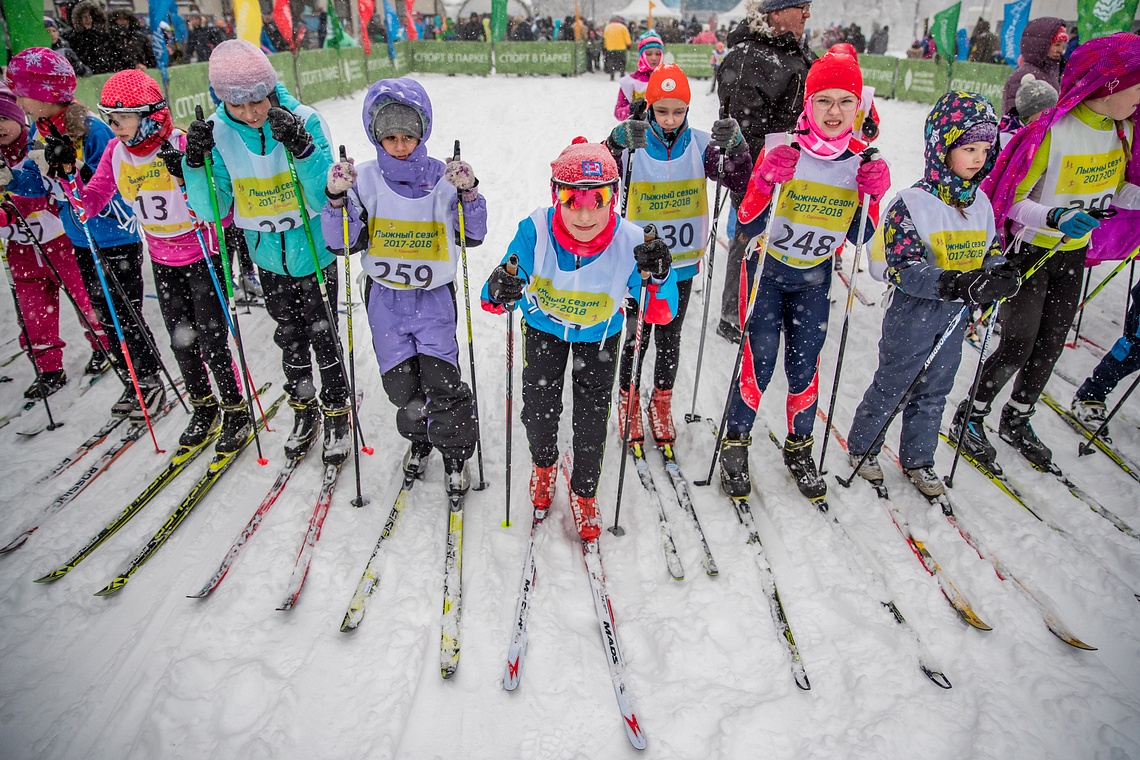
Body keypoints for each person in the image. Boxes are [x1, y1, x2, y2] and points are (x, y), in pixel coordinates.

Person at [952, 33, 1140, 471]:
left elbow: (1122, 193)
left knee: (1051, 343)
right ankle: (972, 415)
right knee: (1018, 342)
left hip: (1072, 255)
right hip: (1031, 251)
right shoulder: (1052, 130)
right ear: (1109, 84)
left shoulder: (1124, 132)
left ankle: (1017, 417)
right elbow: (1009, 201)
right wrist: (1055, 217)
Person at [480, 137, 678, 541]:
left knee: (591, 420)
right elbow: (495, 297)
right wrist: (500, 287)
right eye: (572, 199)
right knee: (538, 409)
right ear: (556, 197)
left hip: (599, 335)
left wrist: (658, 275)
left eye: (598, 198)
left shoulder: (632, 241)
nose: (585, 214)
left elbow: (661, 311)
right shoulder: (535, 229)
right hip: (544, 329)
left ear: (614, 198)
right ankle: (544, 465)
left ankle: (584, 492)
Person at [718, 49, 890, 500]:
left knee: (805, 364)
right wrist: (762, 181)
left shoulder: (861, 160)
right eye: (824, 101)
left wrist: (875, 194)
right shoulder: (782, 148)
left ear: (859, 107)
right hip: (767, 272)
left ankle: (799, 447)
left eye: (845, 102)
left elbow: (858, 233)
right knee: (760, 361)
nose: (835, 112)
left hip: (814, 277)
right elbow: (749, 225)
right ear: (807, 104)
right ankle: (735, 443)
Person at [180, 40, 349, 465]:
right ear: (222, 101)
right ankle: (304, 408)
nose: (253, 112)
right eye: (239, 105)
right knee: (289, 339)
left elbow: (325, 193)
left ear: (272, 88)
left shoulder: (306, 118)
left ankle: (336, 410)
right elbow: (211, 209)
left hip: (313, 253)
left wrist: (303, 149)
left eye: (259, 99)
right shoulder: (218, 132)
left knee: (323, 336)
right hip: (267, 256)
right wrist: (194, 163)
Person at [66, 69, 249, 453]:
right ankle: (204, 407)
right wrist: (71, 181)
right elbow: (95, 196)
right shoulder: (118, 153)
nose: (114, 127)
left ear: (149, 115)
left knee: (213, 341)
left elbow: (224, 204)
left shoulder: (181, 142)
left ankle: (235, 409)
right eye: (109, 119)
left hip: (202, 254)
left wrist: (189, 176)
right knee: (182, 341)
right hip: (162, 259)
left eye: (122, 118)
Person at [847, 92, 1017, 497]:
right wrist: (955, 283)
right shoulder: (912, 203)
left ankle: (919, 458)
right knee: (896, 383)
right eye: (968, 148)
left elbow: (990, 250)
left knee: (936, 388)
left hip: (955, 318)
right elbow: (901, 268)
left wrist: (999, 273)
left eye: (985, 149)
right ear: (943, 147)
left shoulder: (981, 205)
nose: (977, 158)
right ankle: (863, 446)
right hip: (914, 313)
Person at [320, 78, 484, 493]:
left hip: (432, 300)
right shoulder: (365, 180)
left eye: (408, 136)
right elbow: (342, 242)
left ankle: (454, 453)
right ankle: (420, 439)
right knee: (401, 386)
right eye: (390, 137)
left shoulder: (442, 177)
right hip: (386, 302)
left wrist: (468, 194)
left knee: (442, 381)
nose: (400, 145)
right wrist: (336, 199)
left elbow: (472, 235)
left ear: (421, 132)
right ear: (377, 136)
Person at [6, 47, 164, 421]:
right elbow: (38, 183)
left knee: (126, 315)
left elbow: (116, 186)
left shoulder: (91, 129)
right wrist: (12, 177)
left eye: (23, 93)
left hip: (114, 237)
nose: (19, 101)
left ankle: (149, 380)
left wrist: (74, 168)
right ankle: (133, 381)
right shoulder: (40, 129)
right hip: (79, 239)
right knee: (104, 316)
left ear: (45, 93)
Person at [605, 63, 752, 445]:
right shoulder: (635, 146)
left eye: (679, 111)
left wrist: (736, 147)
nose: (670, 120)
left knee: (670, 336)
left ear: (688, 109)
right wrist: (615, 142)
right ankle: (629, 398)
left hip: (682, 264)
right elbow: (600, 174)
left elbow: (738, 180)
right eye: (661, 110)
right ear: (649, 107)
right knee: (637, 337)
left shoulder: (702, 144)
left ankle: (662, 401)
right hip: (638, 265)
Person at [714, 0, 815, 344]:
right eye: (800, 6)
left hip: (797, 173)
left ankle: (773, 305)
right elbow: (742, 129)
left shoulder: (797, 52)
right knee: (750, 235)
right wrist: (766, 168)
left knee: (781, 240)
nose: (807, 14)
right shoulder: (750, 57)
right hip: (760, 173)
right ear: (775, 12)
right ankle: (734, 312)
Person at [0, 84, 108, 399]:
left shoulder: (36, 145)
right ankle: (48, 368)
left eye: (4, 120)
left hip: (59, 243)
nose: (0, 130)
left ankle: (104, 344)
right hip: (20, 249)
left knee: (86, 299)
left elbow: (54, 191)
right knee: (33, 312)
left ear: (19, 117)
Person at [1000, 18, 1067, 116]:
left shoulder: (1050, 73)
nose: (1060, 50)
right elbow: (1013, 118)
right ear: (1041, 45)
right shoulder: (1023, 75)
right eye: (1057, 45)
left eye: (1063, 46)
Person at [614, 30, 663, 120]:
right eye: (648, 54)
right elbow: (618, 113)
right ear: (641, 56)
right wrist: (632, 108)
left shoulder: (667, 80)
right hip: (637, 131)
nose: (654, 58)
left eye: (658, 54)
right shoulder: (630, 81)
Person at [998, 75, 1058, 147]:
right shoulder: (1010, 137)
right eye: (1046, 111)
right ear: (1031, 112)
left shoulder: (1048, 129)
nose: (1052, 114)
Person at [65, 1, 111, 75]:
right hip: (83, 75)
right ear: (78, 19)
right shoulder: (71, 37)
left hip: (102, 73)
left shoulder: (102, 35)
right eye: (84, 17)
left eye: (90, 16)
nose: (88, 20)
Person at [603, 16, 632, 81]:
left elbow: (605, 38)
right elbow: (627, 37)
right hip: (621, 48)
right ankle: (622, 73)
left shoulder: (607, 28)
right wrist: (629, 44)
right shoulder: (623, 27)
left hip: (610, 48)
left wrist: (605, 46)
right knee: (621, 62)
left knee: (611, 62)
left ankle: (612, 74)